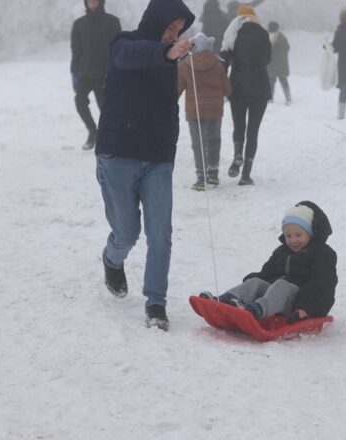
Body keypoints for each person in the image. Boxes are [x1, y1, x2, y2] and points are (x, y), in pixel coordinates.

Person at [94, 0, 194, 331]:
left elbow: (167, 105)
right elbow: (132, 57)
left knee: (160, 233)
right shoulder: (123, 43)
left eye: (178, 31)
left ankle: (156, 303)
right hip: (117, 153)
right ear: (155, 20)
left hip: (157, 158)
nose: (173, 34)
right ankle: (112, 259)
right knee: (127, 232)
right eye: (170, 27)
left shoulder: (170, 59)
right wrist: (166, 53)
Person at [199, 201, 337, 321]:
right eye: (288, 236)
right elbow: (266, 273)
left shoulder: (323, 253)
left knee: (283, 285)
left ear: (311, 232)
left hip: (302, 303)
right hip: (276, 298)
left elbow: (322, 284)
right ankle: (225, 301)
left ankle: (256, 310)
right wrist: (250, 282)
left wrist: (305, 306)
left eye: (298, 235)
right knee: (256, 282)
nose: (293, 240)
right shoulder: (281, 252)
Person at [220, 5, 271, 186]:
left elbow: (223, 62)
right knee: (253, 130)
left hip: (238, 88)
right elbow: (267, 60)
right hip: (260, 89)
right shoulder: (263, 34)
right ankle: (246, 175)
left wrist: (222, 85)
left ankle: (238, 155)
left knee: (239, 125)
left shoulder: (232, 35)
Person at [177, 33, 232, 191]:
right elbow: (227, 88)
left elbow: (178, 89)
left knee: (198, 143)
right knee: (214, 141)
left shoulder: (185, 65)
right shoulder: (218, 64)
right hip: (215, 109)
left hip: (194, 111)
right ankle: (213, 174)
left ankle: (201, 177)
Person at [70, 0, 121, 150]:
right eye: (89, 1)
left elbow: (118, 48)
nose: (92, 4)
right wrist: (74, 72)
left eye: (95, 1)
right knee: (79, 102)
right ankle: (93, 132)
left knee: (104, 108)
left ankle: (109, 138)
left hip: (104, 74)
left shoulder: (112, 21)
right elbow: (76, 50)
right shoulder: (79, 24)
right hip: (84, 73)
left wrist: (117, 71)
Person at [267, 21, 292, 105]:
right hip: (281, 64)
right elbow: (287, 48)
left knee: (271, 81)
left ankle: (270, 98)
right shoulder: (282, 38)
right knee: (283, 80)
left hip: (271, 64)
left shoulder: (267, 37)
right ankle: (288, 97)